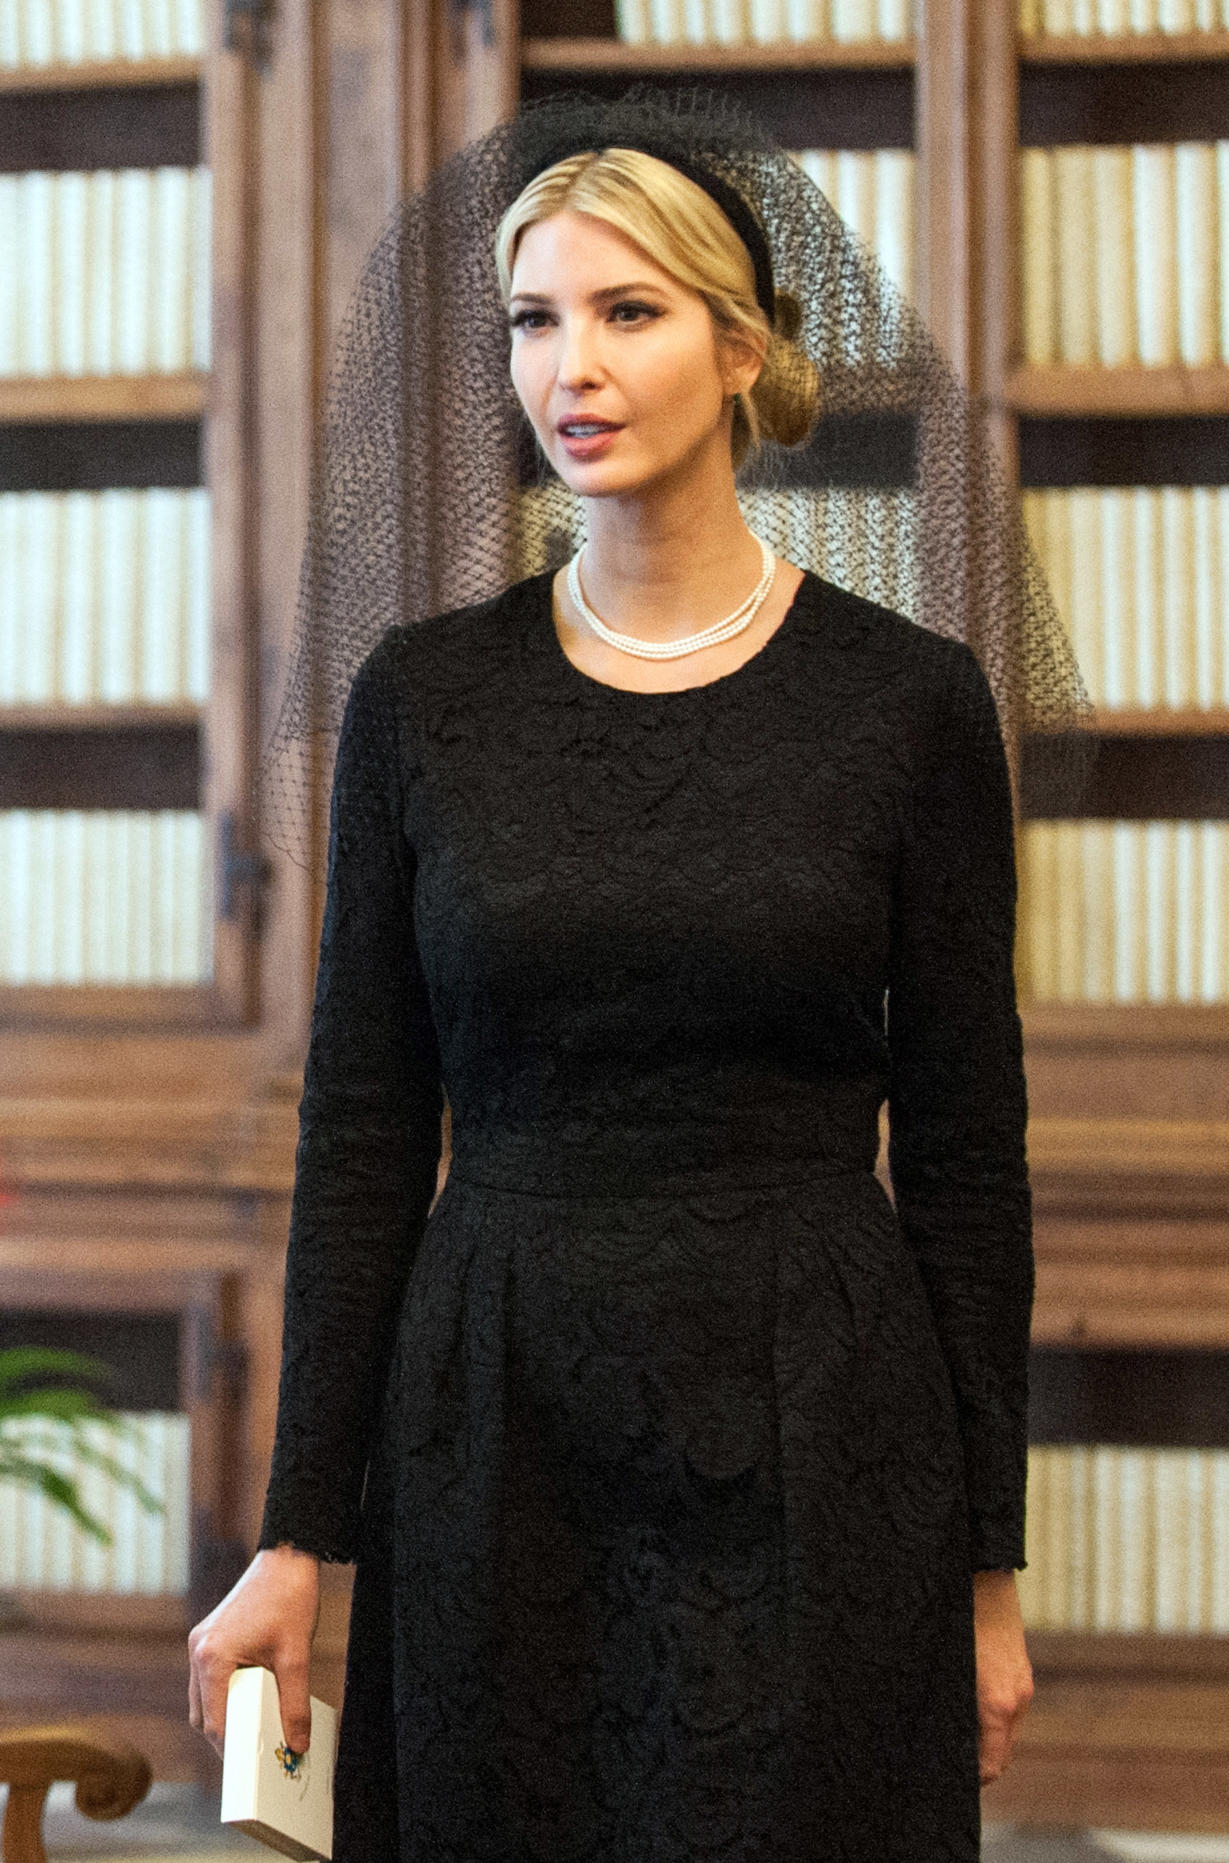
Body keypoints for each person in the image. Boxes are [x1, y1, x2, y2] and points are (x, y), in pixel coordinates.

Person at [188, 84, 1091, 1863]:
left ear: (742, 348)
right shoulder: (423, 701)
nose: (566, 368)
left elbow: (971, 1156)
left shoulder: (903, 704)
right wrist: (299, 1533)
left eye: (626, 312)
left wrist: (989, 1564)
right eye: (534, 319)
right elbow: (363, 1128)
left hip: (820, 1420)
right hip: (496, 1416)